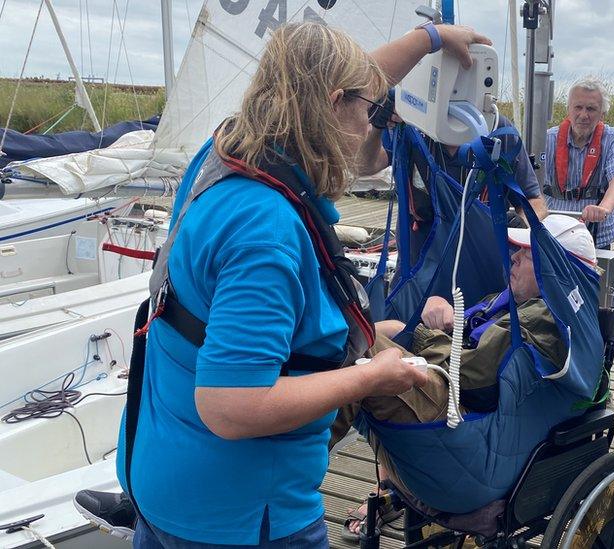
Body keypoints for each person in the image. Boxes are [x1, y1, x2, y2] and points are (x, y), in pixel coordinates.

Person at [115, 21, 491, 548]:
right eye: (370, 113)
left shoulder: (225, 151)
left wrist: (429, 39)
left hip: (163, 477)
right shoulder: (265, 230)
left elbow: (360, 81)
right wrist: (368, 379)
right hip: (240, 518)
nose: (374, 126)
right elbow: (231, 404)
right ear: (334, 105)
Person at [338, 214, 597, 540]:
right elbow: (472, 346)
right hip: (470, 431)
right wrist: (446, 320)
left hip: (474, 443)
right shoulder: (512, 304)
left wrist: (424, 333)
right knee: (366, 341)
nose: (514, 257)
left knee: (359, 346)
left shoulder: (543, 319)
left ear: (557, 272)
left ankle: (298, 470)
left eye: (527, 254)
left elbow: (472, 377)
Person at [359, 99, 548, 267]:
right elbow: (366, 166)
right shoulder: (409, 124)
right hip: (419, 268)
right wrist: (377, 126)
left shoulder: (499, 131)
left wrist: (522, 222)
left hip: (483, 270)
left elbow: (536, 202)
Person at [542, 76, 614, 250]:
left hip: (594, 236)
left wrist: (603, 209)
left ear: (602, 114)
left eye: (591, 109)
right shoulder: (547, 139)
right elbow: (529, 179)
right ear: (568, 109)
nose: (583, 115)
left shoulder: (613, 139)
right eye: (578, 107)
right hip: (553, 233)